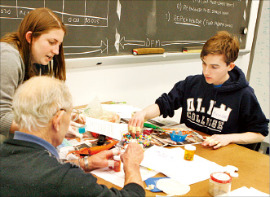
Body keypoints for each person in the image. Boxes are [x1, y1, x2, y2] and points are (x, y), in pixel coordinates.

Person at [0, 76, 145, 196]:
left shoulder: (7, 154)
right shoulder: (64, 180)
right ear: (58, 120)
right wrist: (132, 166)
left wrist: (84, 163)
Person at [128, 31, 269, 150]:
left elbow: (260, 133)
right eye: (204, 63)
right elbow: (164, 104)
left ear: (230, 66)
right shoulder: (191, 83)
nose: (206, 71)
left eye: (214, 67)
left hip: (222, 155)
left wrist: (229, 138)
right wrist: (143, 113)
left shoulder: (244, 94)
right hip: (192, 150)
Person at [0, 8, 85, 142]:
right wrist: (47, 128)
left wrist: (63, 118)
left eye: (59, 44)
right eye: (51, 42)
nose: (56, 51)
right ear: (30, 37)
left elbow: (34, 109)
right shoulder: (9, 58)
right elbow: (1, 117)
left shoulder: (35, 60)